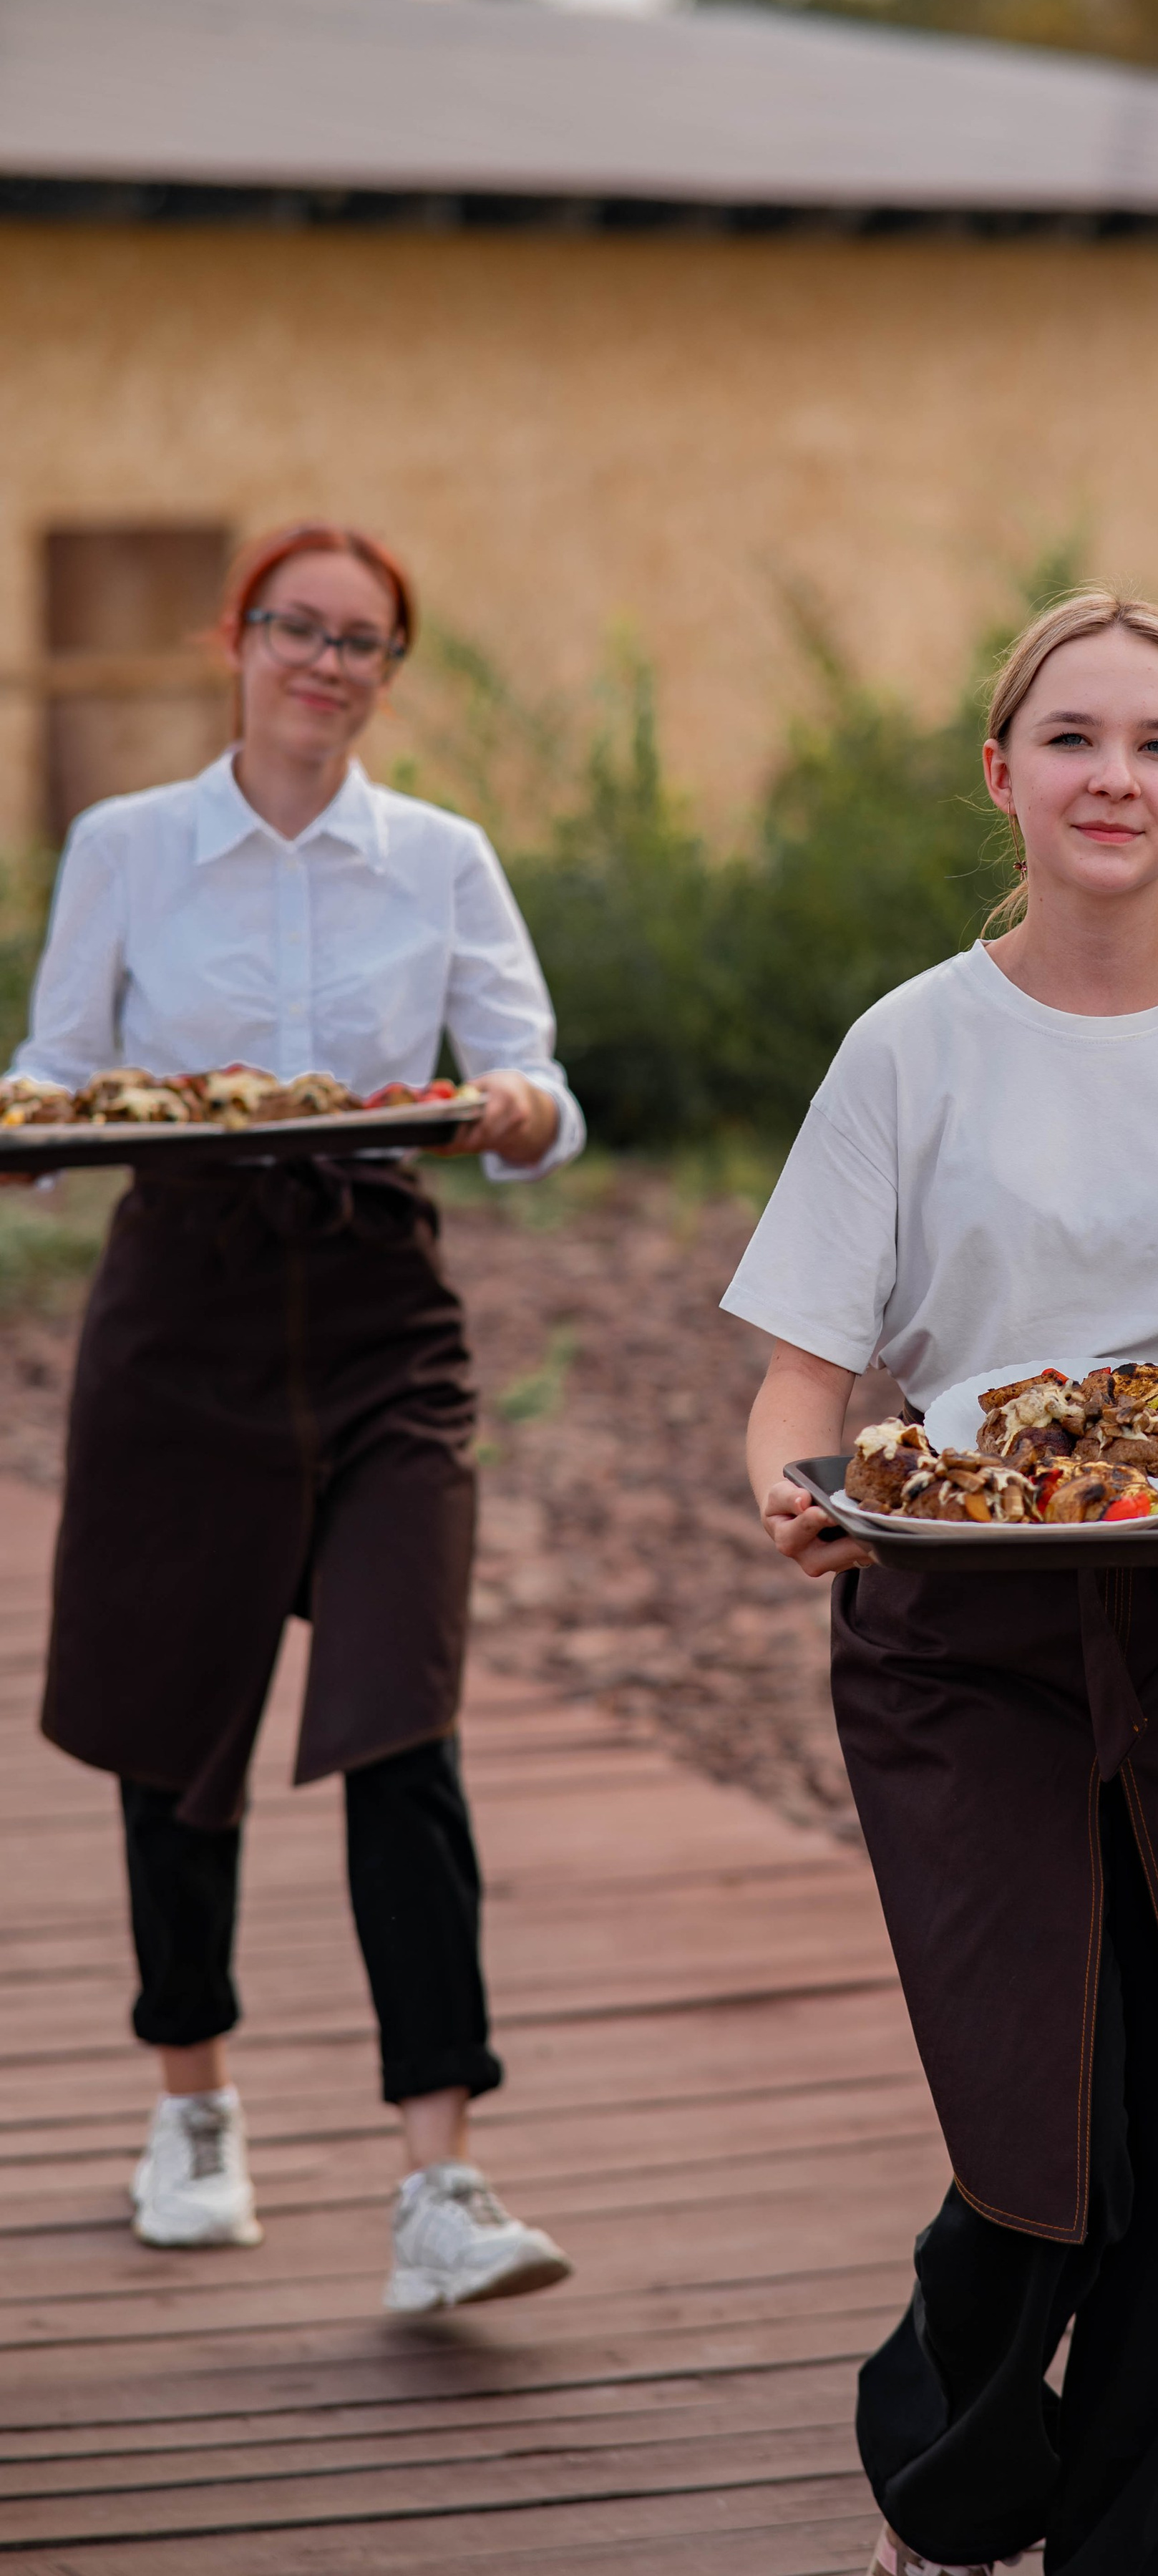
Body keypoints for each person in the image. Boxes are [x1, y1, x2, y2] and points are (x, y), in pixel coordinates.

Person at [721, 590, 1158, 2576]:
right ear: (1001, 773)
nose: (1111, 776)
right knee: (1047, 2128)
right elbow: (801, 1381)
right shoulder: (908, 1048)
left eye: (1153, 743)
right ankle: (946, 2471)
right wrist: (795, 1493)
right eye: (1071, 737)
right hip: (963, 1635)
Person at [11, 522, 584, 2313]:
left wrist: (511, 1111)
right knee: (173, 1722)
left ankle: (440, 2182)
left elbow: (533, 1079)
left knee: (402, 1718)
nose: (326, 663)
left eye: (361, 640)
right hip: (178, 1305)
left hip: (377, 1306)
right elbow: (55, 1068)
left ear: (387, 672)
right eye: (297, 628)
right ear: (236, 639)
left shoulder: (442, 857)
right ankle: (191, 2108)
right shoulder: (126, 846)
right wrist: (26, 1129)